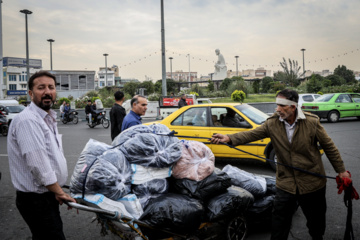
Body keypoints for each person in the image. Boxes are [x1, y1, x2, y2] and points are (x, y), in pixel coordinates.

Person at [211, 89, 351, 240]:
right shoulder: (272, 123)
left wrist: (341, 171)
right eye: (277, 104)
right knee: (279, 224)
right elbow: (251, 134)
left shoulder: (312, 122)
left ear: (293, 106)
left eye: (282, 105)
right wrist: (229, 138)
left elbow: (329, 147)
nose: (278, 109)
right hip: (286, 183)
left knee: (316, 224)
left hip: (312, 183)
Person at [7, 71, 76, 240]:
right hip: (36, 200)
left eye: (51, 87)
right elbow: (38, 165)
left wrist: (56, 190)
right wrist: (59, 192)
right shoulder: (28, 120)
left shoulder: (47, 118)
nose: (47, 91)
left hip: (46, 194)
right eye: (41, 87)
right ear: (30, 93)